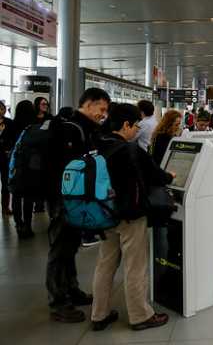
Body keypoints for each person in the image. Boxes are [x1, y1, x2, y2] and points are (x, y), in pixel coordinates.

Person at [90, 103, 173, 332]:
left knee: (105, 264)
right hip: (130, 216)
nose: (137, 130)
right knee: (135, 266)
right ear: (125, 125)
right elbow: (157, 176)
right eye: (136, 125)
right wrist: (170, 176)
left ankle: (99, 314)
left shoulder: (99, 144)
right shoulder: (130, 149)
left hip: (105, 213)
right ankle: (140, 315)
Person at [47, 88, 111, 323]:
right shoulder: (71, 129)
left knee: (71, 245)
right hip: (64, 199)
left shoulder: (86, 128)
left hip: (76, 199)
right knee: (60, 249)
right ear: (89, 104)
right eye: (101, 109)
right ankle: (58, 302)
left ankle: (71, 290)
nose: (103, 114)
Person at [11, 100, 37, 238]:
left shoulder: (12, 125)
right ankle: (27, 225)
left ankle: (18, 224)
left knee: (16, 196)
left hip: (15, 165)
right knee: (28, 197)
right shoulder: (34, 127)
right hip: (30, 165)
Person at [0, 101, 15, 218]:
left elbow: (13, 138)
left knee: (5, 183)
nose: (1, 111)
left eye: (2, 108)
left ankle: (5, 207)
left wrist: (9, 149)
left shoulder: (9, 122)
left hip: (5, 157)